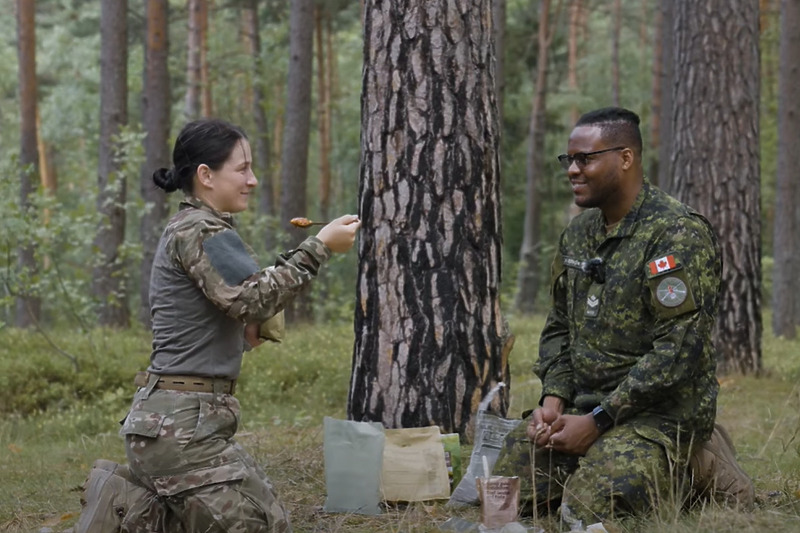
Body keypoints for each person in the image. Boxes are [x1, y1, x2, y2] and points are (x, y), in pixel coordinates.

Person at [74, 118, 361, 533]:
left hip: (180, 426)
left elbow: (229, 312)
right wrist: (318, 249)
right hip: (181, 431)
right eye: (241, 169)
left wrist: (244, 334)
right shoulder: (202, 228)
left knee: (268, 516)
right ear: (206, 176)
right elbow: (252, 298)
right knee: (255, 524)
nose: (253, 180)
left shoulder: (198, 228)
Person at [493, 107, 753, 528]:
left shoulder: (676, 233)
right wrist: (553, 399)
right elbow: (559, 325)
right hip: (583, 409)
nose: (573, 170)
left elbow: (678, 351)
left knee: (587, 512)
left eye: (586, 158)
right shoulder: (579, 233)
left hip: (657, 415)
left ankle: (697, 464)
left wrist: (599, 421)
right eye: (569, 160)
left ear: (626, 158)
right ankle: (606, 463)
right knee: (508, 489)